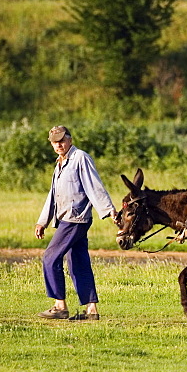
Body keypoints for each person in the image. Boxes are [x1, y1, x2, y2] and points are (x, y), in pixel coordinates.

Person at [35, 125, 117, 321]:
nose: (59, 144)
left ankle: (59, 306)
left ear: (70, 139)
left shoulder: (80, 158)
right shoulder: (60, 163)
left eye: (62, 140)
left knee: (50, 257)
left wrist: (109, 211)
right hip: (67, 218)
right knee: (78, 262)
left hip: (75, 219)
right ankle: (91, 311)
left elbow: (94, 186)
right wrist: (43, 221)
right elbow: (52, 195)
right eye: (55, 142)